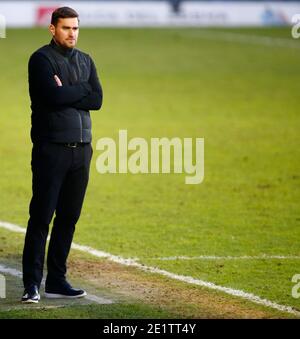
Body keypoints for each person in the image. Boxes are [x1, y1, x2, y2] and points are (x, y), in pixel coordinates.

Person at [21, 7, 103, 303]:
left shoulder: (86, 60)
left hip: (81, 151)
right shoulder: (41, 59)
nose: (72, 33)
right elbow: (53, 98)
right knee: (41, 217)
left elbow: (97, 100)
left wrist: (71, 89)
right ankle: (31, 284)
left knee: (69, 217)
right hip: (51, 149)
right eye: (66, 28)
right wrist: (79, 91)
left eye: (76, 28)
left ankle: (56, 280)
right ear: (52, 29)